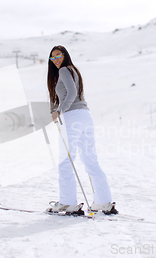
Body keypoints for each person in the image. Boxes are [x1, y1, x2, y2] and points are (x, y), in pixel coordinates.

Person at [46, 45, 117, 215]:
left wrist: (59, 110)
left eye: (58, 56)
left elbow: (71, 93)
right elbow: (74, 93)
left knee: (66, 160)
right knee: (90, 160)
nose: (56, 60)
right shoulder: (74, 70)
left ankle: (67, 203)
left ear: (65, 55)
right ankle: (103, 201)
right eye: (52, 58)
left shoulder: (64, 70)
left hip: (72, 117)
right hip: (86, 116)